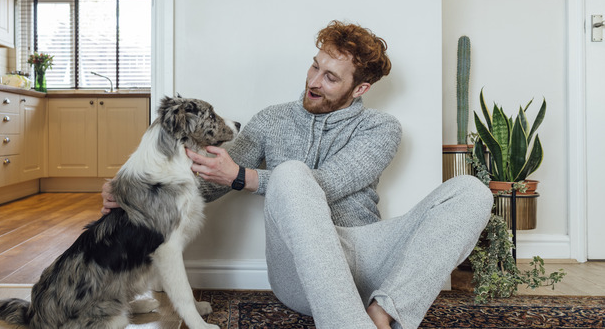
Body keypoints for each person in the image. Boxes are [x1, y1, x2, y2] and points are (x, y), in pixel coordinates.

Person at [102, 20, 493, 329]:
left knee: (473, 191)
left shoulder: (380, 127)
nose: (313, 81)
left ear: (360, 89)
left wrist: (244, 177)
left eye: (331, 77)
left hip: (370, 255)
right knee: (291, 174)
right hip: (299, 271)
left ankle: (381, 314)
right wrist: (136, 193)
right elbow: (206, 183)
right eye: (315, 66)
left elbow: (329, 183)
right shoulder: (270, 121)